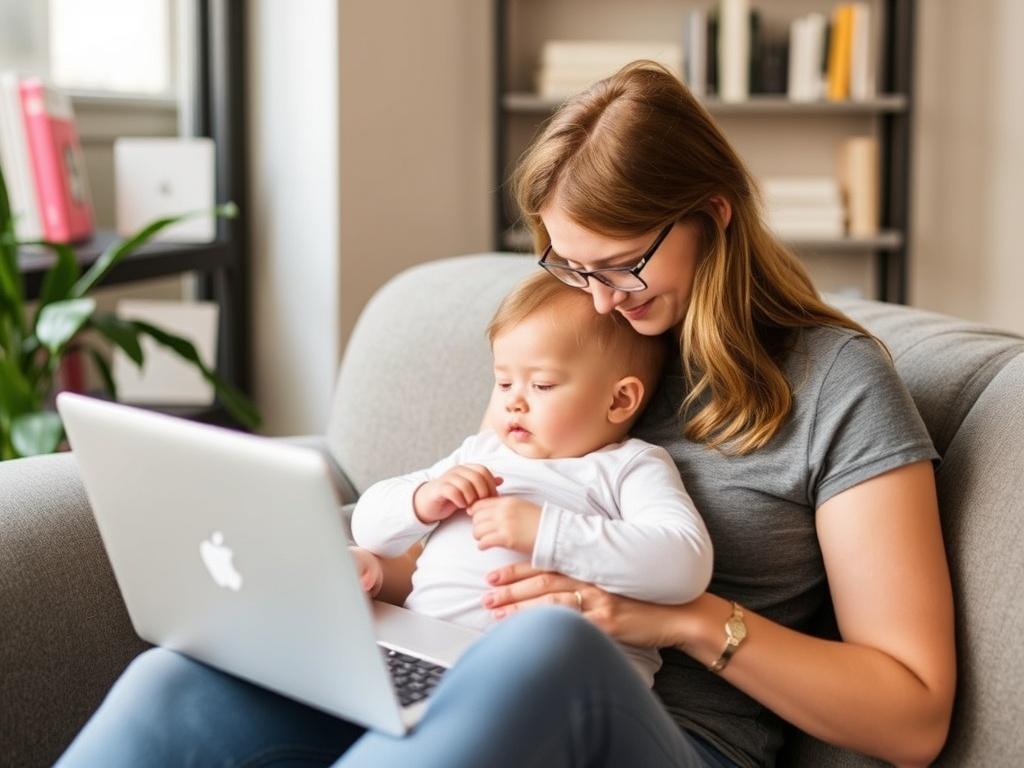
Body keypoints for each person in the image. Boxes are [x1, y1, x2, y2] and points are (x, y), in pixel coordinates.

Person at [56, 61, 955, 768]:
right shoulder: (563, 348)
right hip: (477, 682)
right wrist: (374, 575)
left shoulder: (838, 384)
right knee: (185, 681)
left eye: (620, 266)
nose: (597, 303)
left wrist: (678, 620)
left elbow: (912, 714)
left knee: (548, 655)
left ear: (711, 217)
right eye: (571, 268)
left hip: (671, 735)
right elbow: (490, 543)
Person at [349, 271, 713, 686]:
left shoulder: (630, 467)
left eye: (541, 384)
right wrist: (421, 499)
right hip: (429, 658)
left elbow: (685, 564)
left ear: (619, 399)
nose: (513, 402)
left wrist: (546, 533)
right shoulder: (482, 452)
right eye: (503, 382)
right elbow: (369, 528)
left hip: (559, 682)